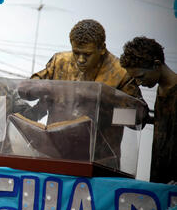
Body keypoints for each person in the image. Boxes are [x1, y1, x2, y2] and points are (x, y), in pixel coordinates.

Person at [22, 19, 149, 170]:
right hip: (55, 155)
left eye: (87, 54)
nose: (81, 60)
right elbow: (26, 91)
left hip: (100, 162)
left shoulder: (121, 72)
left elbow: (138, 120)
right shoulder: (60, 61)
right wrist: (38, 87)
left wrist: (104, 99)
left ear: (102, 48)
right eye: (76, 53)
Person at [120, 36, 177, 184]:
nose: (138, 83)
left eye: (141, 76)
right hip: (160, 181)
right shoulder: (161, 90)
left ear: (157, 65)